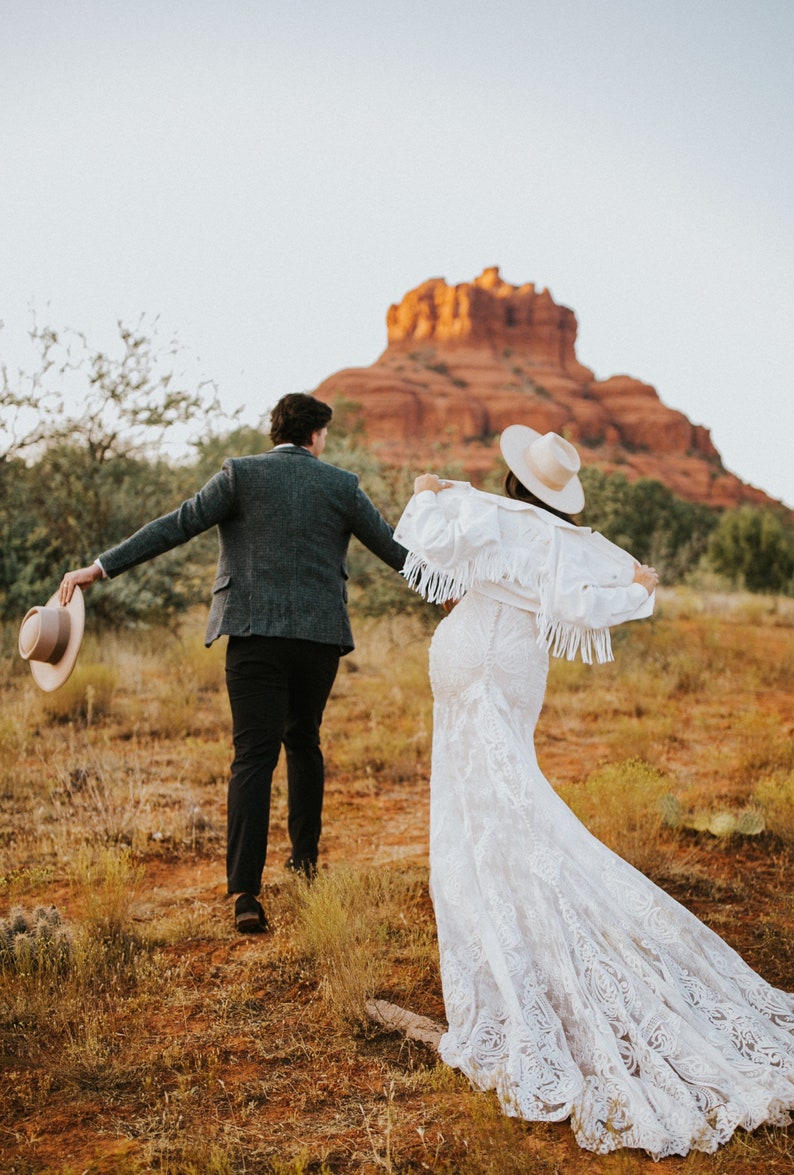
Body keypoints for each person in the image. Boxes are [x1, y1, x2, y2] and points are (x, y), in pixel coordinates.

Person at [393, 424, 794, 1158]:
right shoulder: (569, 543)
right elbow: (587, 608)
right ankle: (529, 943)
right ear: (561, 492)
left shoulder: (483, 510)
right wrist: (641, 588)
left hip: (454, 652)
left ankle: (500, 952)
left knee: (474, 811)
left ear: (515, 478)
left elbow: (421, 533)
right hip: (509, 656)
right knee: (515, 811)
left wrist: (427, 489)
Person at [59, 393, 407, 934]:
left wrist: (99, 568)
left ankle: (246, 894)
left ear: (276, 434)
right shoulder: (342, 485)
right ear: (316, 436)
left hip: (252, 634)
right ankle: (305, 862)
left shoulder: (240, 476)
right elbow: (394, 549)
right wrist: (449, 588)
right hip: (318, 639)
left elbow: (174, 526)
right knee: (305, 740)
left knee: (252, 757)